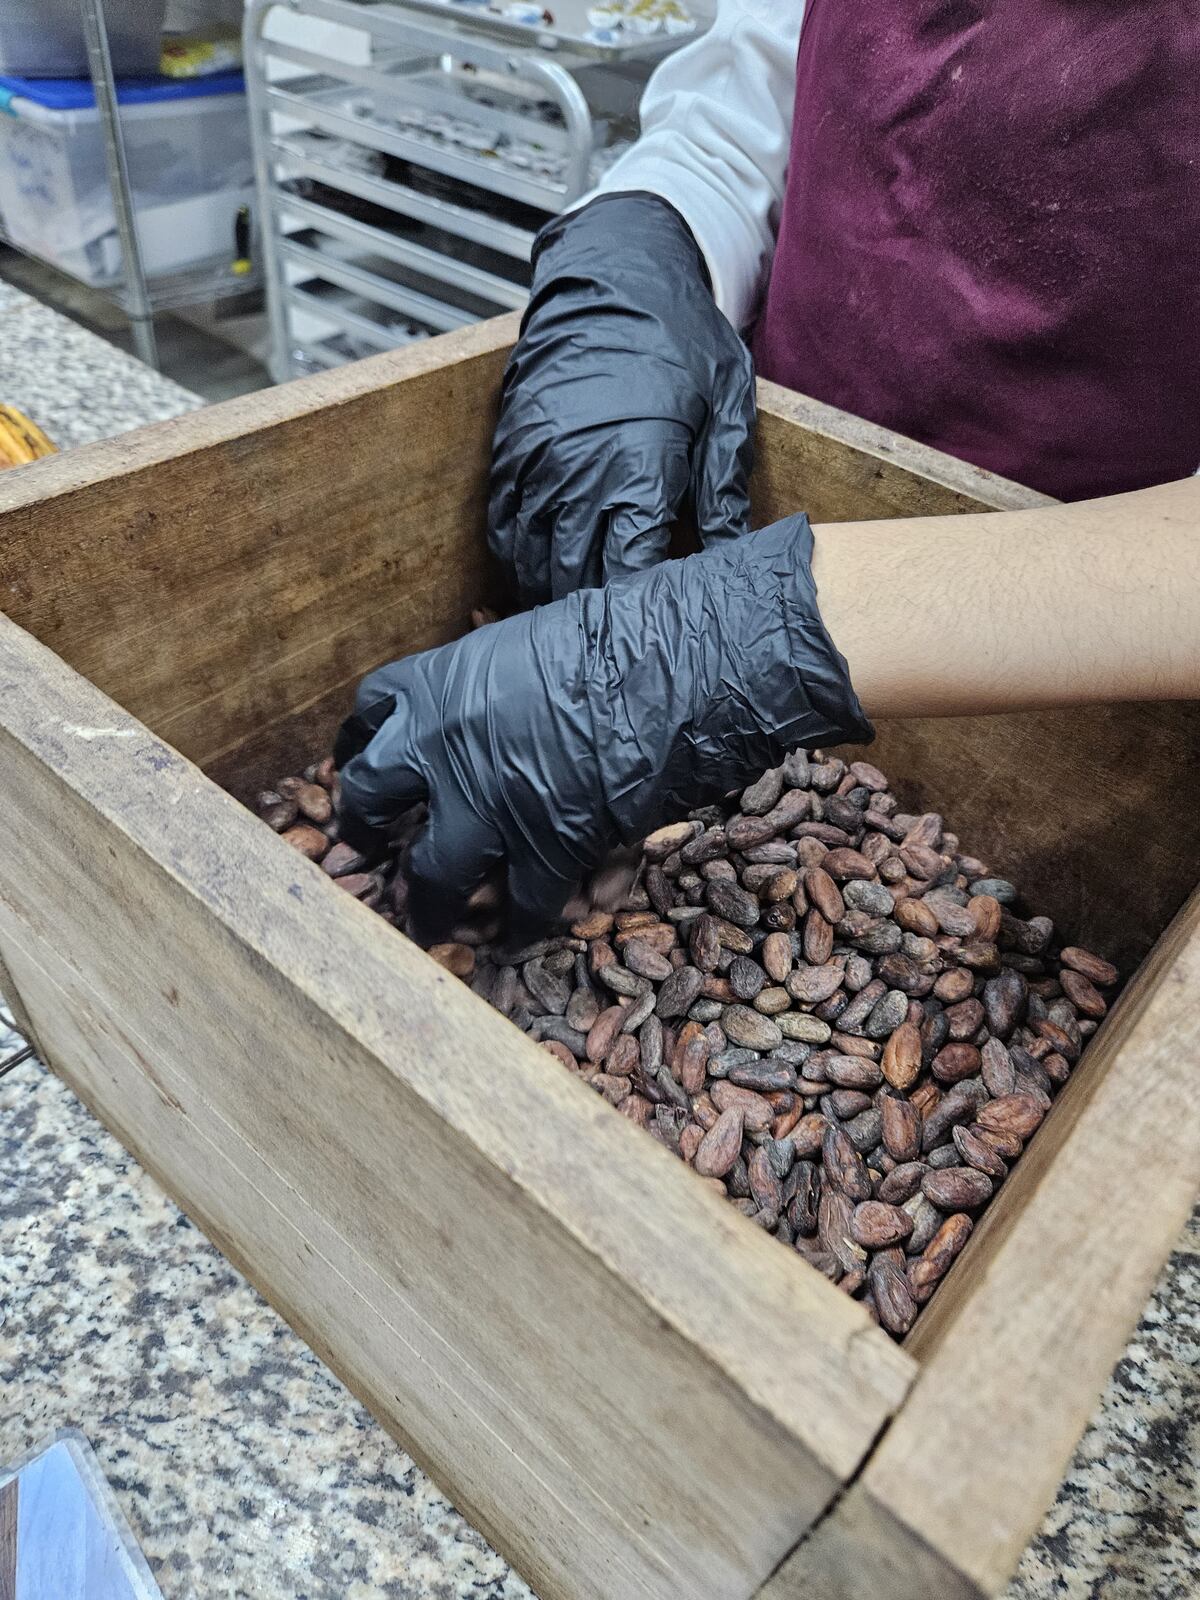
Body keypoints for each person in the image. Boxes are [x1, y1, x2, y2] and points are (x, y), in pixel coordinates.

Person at [336, 4, 1199, 940]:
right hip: (775, 477)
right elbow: (773, 77)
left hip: (1112, 632)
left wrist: (744, 631)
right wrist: (649, 235)